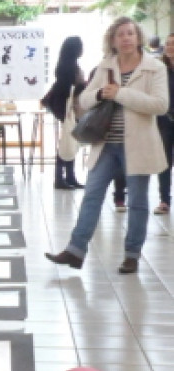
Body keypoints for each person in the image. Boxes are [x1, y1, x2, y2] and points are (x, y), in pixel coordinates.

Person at [46, 17, 169, 275]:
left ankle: (132, 255)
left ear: (138, 38)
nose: (125, 38)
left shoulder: (154, 67)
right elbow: (85, 99)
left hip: (139, 145)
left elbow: (160, 105)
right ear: (112, 40)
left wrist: (121, 94)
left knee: (137, 201)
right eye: (120, 35)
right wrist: (102, 93)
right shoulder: (105, 67)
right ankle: (75, 250)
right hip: (106, 145)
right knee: (91, 195)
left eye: (130, 34)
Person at [41, 36, 87, 190]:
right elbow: (69, 89)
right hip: (67, 108)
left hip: (64, 107)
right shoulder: (69, 67)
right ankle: (62, 178)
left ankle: (67, 177)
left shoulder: (65, 64)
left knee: (68, 141)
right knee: (67, 142)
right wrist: (85, 86)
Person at [154, 33, 174, 215]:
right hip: (165, 120)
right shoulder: (160, 69)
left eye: (173, 44)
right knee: (165, 161)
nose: (170, 47)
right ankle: (164, 200)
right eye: (168, 44)